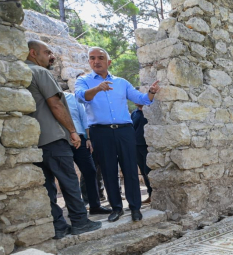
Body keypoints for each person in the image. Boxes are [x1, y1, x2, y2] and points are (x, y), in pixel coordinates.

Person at [25, 40, 101, 239]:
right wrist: (72, 132)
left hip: (34, 141)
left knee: (47, 186)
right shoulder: (41, 73)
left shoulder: (21, 73)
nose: (51, 56)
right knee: (69, 181)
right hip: (54, 138)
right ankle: (80, 221)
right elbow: (56, 104)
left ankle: (58, 225)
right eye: (47, 52)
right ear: (33, 53)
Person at [75, 47, 159, 222]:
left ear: (109, 62)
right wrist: (97, 89)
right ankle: (117, 208)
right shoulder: (84, 81)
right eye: (92, 58)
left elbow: (142, 99)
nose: (96, 61)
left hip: (124, 130)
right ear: (89, 61)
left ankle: (135, 208)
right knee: (108, 171)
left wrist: (150, 92)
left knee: (129, 169)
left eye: (100, 58)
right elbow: (81, 97)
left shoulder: (121, 82)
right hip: (100, 132)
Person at [64, 90, 111, 215]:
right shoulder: (49, 100)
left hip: (81, 139)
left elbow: (83, 118)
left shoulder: (73, 98)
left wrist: (88, 138)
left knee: (90, 171)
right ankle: (75, 209)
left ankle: (95, 206)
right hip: (61, 141)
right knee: (68, 176)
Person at [131, 103, 153, 204]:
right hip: (136, 146)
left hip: (147, 146)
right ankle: (150, 195)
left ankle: (154, 195)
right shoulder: (134, 113)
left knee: (148, 170)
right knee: (143, 172)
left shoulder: (149, 111)